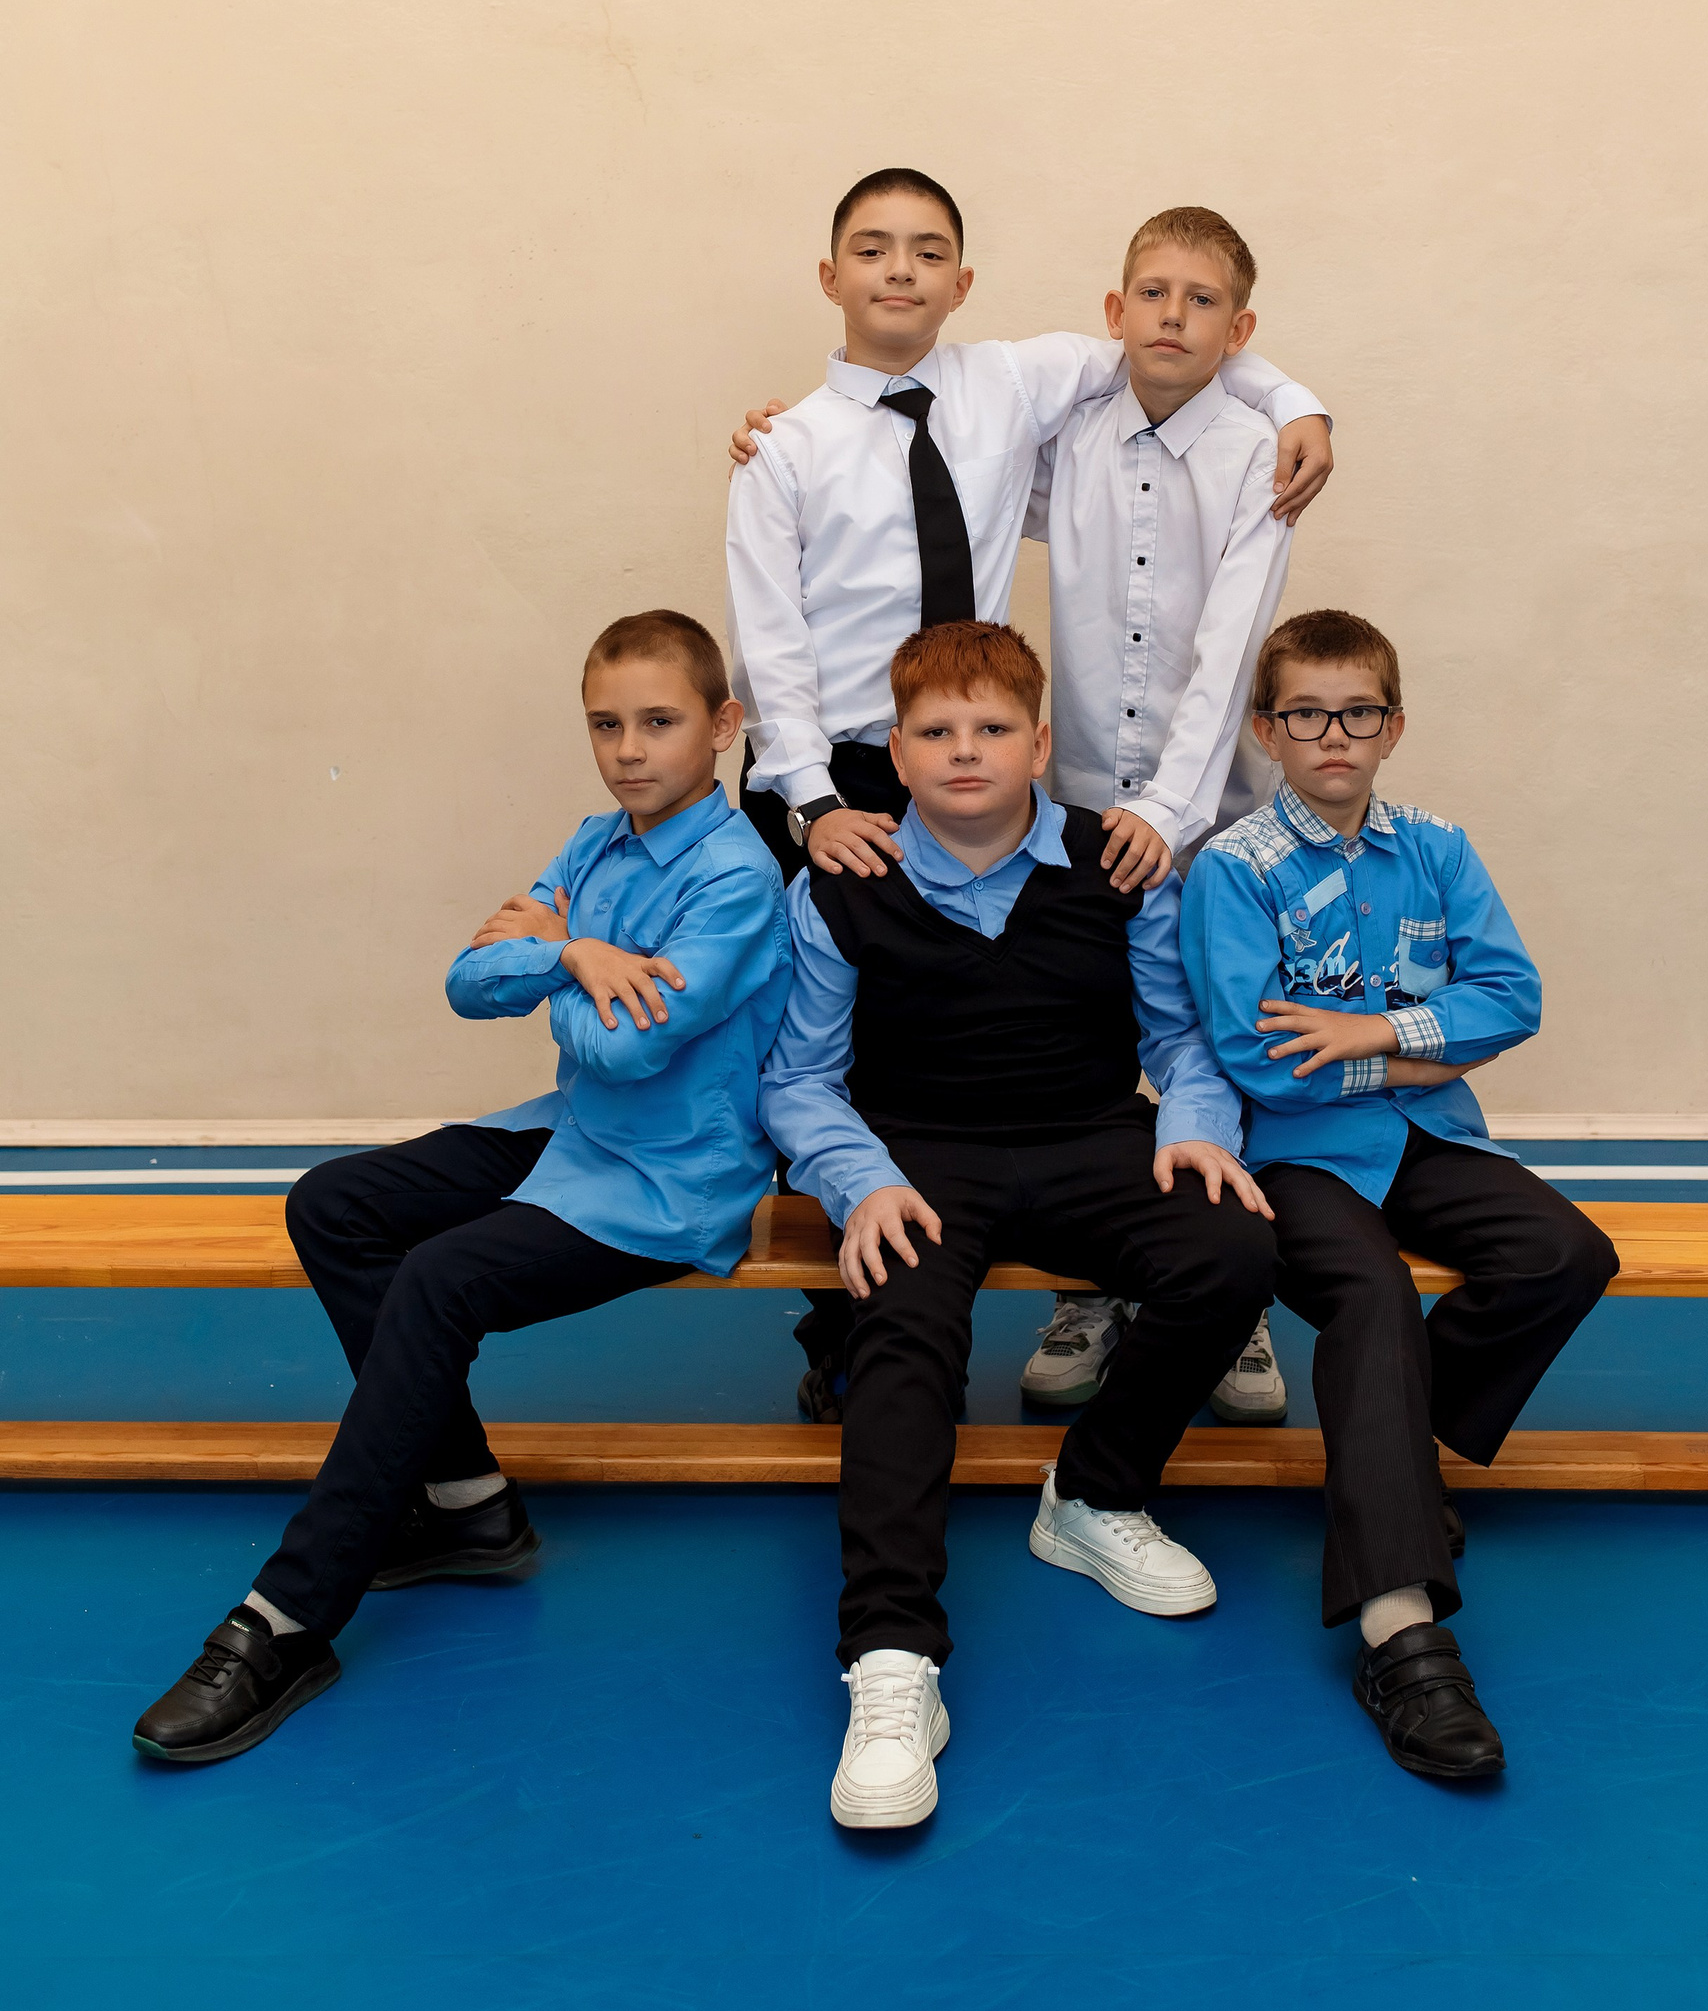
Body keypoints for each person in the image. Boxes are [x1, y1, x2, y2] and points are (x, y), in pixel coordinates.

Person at [130, 609, 790, 1766]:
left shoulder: (736, 877)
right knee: (333, 1204)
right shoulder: (593, 844)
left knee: (439, 1279)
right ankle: (466, 1500)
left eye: (659, 721)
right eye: (605, 725)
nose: (630, 749)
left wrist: (547, 964)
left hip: (668, 1178)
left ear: (723, 725)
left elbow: (632, 1048)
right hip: (568, 1134)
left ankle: (288, 1618)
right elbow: (467, 980)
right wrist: (572, 952)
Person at [725, 165, 1329, 1415]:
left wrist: (1298, 402)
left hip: (983, 751)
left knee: (1083, 1019)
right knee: (840, 1041)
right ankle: (860, 1325)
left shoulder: (1010, 380)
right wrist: (809, 802)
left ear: (964, 280)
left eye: (926, 250)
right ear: (830, 275)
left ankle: (1142, 1271)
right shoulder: (788, 445)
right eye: (873, 249)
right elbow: (769, 640)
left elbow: (1173, 347)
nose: (900, 270)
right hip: (837, 768)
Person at [759, 617, 1276, 1831]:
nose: (965, 750)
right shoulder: (843, 881)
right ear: (896, 751)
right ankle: (892, 1660)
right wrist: (861, 1181)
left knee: (1235, 1248)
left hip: (1089, 1138)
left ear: (1040, 745)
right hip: (918, 1158)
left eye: (992, 728)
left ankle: (1091, 1496)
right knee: (901, 1335)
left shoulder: (1116, 861)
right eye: (936, 731)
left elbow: (1181, 1038)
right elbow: (799, 1079)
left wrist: (1197, 1126)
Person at [1179, 606, 1619, 1782]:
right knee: (1372, 1299)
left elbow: (1512, 997)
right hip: (1297, 1155)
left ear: (1394, 726)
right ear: (1267, 730)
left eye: (1358, 712)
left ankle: (1395, 1468)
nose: (1334, 735)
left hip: (1427, 1134)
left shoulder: (1437, 848)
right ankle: (1400, 1632)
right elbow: (1257, 1052)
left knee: (1565, 1254)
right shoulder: (1232, 870)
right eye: (1306, 714)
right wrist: (1430, 1047)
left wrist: (1375, 1035)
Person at [1016, 204, 1301, 1425]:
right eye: (1152, 292)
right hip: (1081, 805)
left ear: (1239, 329)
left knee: (1221, 1044)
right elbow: (945, 470)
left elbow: (1232, 645)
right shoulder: (1068, 435)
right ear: (1114, 310)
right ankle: (1089, 1285)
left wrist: (1172, 809)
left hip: (1210, 817)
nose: (1172, 315)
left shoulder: (1259, 453)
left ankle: (1229, 1295)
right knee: (1087, 1048)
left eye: (1201, 299)